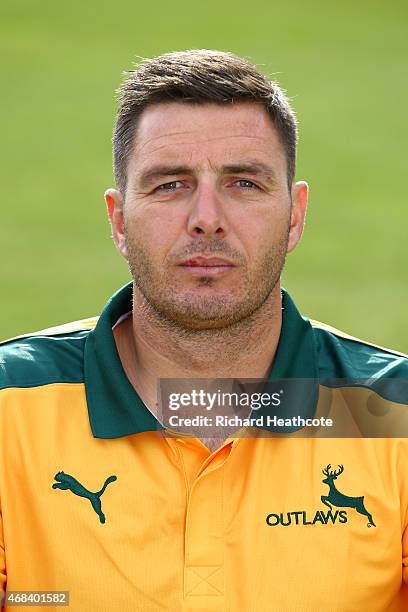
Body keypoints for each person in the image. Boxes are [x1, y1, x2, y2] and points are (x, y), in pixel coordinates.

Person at [0, 49, 407, 612]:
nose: (206, 217)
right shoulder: (8, 407)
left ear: (294, 214)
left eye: (243, 183)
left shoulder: (395, 412)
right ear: (119, 220)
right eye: (170, 184)